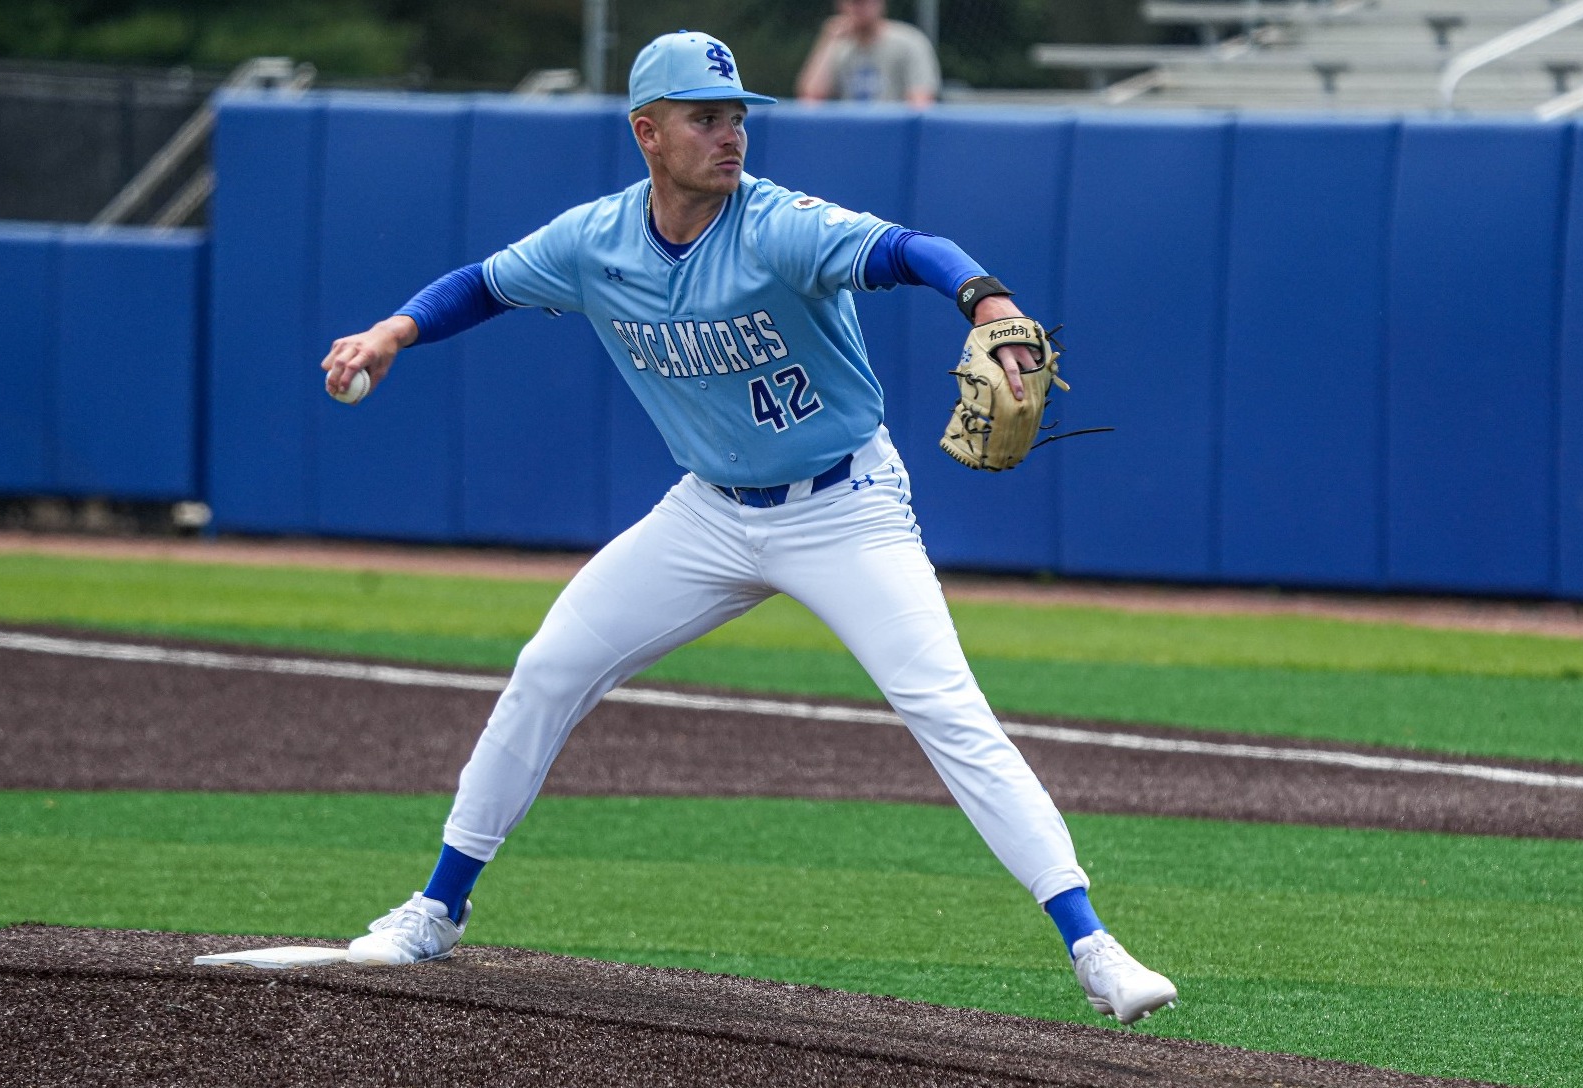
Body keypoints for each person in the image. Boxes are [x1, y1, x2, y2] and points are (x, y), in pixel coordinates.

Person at [320, 29, 1176, 1027]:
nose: (730, 134)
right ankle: (436, 905)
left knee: (946, 707)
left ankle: (1092, 944)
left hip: (845, 508)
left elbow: (904, 250)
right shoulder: (593, 240)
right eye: (704, 117)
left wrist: (985, 297)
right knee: (548, 666)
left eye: (736, 116)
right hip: (707, 513)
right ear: (646, 131)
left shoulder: (779, 226)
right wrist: (389, 333)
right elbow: (484, 282)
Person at [796, 0, 940, 107]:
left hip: (893, 135)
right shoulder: (840, 49)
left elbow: (921, 103)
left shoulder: (909, 43)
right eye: (854, 3)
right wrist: (829, 41)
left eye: (864, 2)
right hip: (852, 132)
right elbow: (810, 99)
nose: (859, 9)